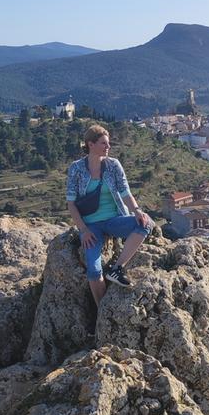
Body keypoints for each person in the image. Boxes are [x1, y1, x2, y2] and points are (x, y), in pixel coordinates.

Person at [66, 124, 152, 304]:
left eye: (108, 143)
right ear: (90, 144)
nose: (108, 147)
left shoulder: (113, 165)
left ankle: (117, 269)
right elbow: (71, 203)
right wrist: (83, 230)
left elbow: (125, 192)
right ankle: (102, 311)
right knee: (94, 271)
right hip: (91, 226)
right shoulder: (76, 168)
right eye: (103, 143)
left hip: (114, 220)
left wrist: (136, 210)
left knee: (145, 223)